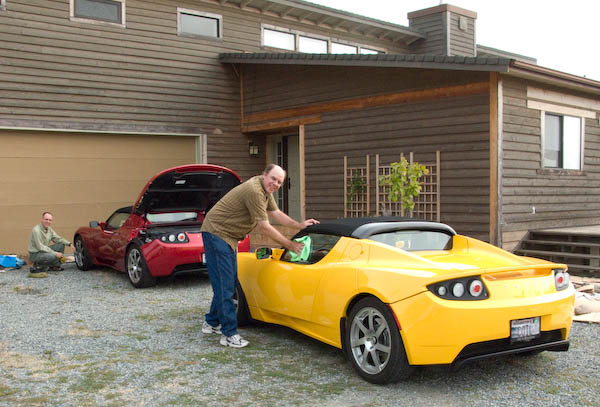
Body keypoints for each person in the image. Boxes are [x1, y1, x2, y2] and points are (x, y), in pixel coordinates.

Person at [200, 164, 319, 348]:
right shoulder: (254, 191)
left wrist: (299, 225)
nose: (276, 183)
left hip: (228, 236)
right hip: (217, 232)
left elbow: (276, 214)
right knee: (226, 284)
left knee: (227, 281)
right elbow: (264, 226)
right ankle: (229, 334)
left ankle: (212, 322)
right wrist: (290, 245)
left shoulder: (265, 191)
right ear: (264, 175)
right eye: (273, 179)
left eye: (280, 182)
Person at [28, 211, 74, 276]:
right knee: (53, 255)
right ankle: (37, 266)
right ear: (42, 220)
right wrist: (55, 253)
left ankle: (54, 266)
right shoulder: (36, 230)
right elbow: (40, 247)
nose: (48, 221)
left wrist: (69, 244)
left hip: (44, 252)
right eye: (46, 219)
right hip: (36, 254)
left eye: (50, 220)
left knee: (60, 245)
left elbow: (58, 238)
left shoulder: (49, 229)